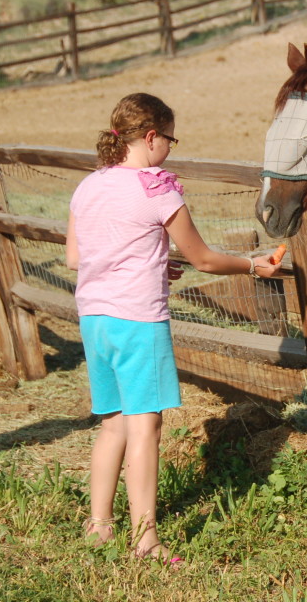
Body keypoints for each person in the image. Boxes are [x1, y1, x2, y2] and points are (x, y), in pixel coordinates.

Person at [66, 92, 283, 564]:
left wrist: (152, 261)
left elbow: (77, 257)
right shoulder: (156, 188)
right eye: (169, 138)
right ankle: (146, 541)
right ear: (150, 137)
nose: (171, 148)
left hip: (95, 318)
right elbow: (203, 257)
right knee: (147, 427)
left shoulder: (89, 186)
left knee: (113, 425)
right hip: (137, 320)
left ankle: (99, 525)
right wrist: (252, 264)